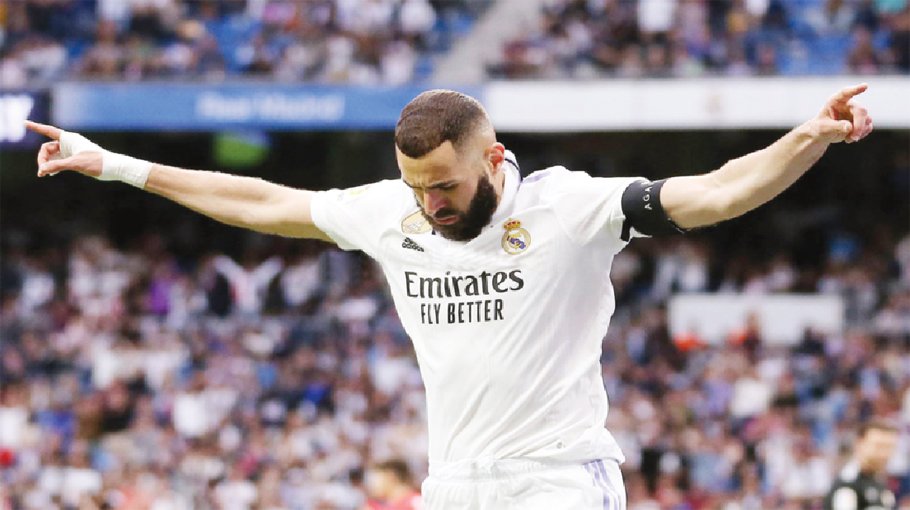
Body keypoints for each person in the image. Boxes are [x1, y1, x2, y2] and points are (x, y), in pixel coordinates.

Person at [25, 83, 873, 509]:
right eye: (416, 186)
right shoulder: (391, 214)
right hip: (454, 485)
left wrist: (807, 137)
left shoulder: (570, 208)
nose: (430, 204)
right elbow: (259, 201)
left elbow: (717, 193)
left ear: (492, 157)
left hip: (558, 482)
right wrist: (116, 164)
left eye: (443, 185)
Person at [824, 420, 899, 510]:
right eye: (879, 446)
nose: (884, 454)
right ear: (859, 444)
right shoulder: (848, 484)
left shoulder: (878, 481)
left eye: (889, 447)